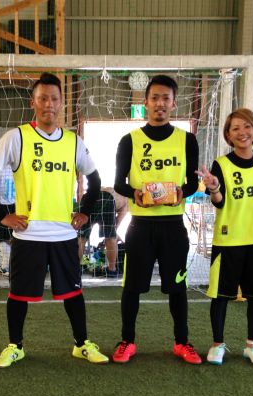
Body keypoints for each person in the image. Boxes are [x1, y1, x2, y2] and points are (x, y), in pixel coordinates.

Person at [0, 72, 108, 367]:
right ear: (33, 102)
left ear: (61, 103)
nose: (49, 104)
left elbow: (95, 180)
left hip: (64, 233)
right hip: (28, 234)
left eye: (54, 99)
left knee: (73, 292)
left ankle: (81, 344)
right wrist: (3, 215)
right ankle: (15, 346)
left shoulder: (73, 142)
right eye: (43, 98)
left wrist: (84, 211)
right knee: (19, 294)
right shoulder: (16, 137)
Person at [112, 74, 200, 364]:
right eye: (155, 98)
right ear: (146, 102)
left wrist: (181, 193)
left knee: (177, 288)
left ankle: (182, 342)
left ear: (174, 103)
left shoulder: (187, 140)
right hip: (140, 227)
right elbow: (119, 182)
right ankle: (127, 341)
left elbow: (192, 183)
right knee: (132, 288)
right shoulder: (129, 140)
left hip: (174, 227)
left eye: (166, 98)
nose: (160, 103)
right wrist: (135, 194)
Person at [198, 108, 253, 366]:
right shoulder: (221, 164)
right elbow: (219, 202)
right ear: (228, 135)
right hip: (229, 241)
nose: (242, 132)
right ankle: (217, 345)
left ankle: (252, 346)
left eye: (247, 126)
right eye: (235, 128)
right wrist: (214, 187)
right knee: (221, 296)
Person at [77, 187, 127, 277]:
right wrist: (111, 237)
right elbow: (115, 228)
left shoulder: (113, 190)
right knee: (110, 237)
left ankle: (75, 268)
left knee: (82, 236)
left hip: (89, 196)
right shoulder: (126, 202)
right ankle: (112, 270)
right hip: (107, 198)